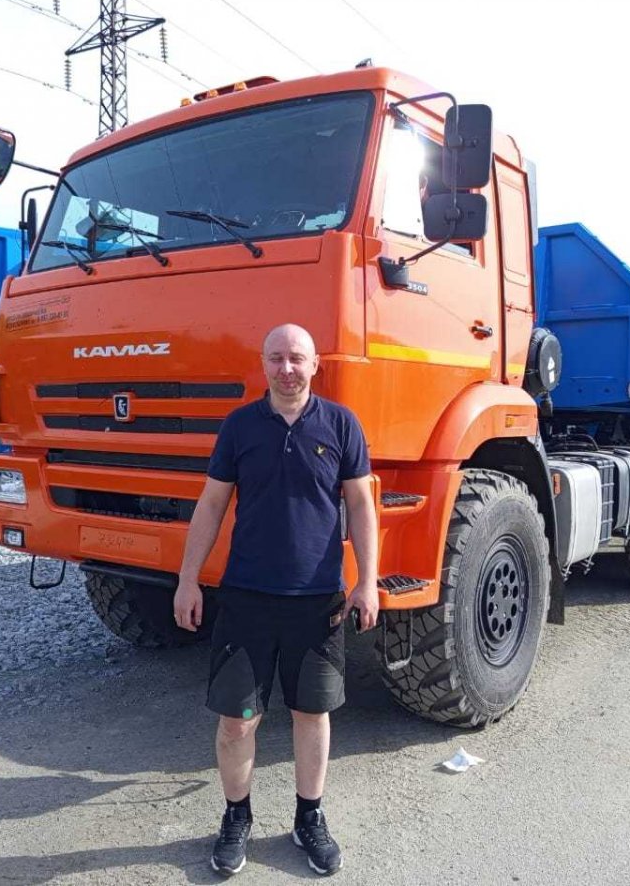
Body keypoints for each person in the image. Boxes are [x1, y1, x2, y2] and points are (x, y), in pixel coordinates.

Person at [174, 322, 379, 877]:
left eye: (296, 358)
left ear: (315, 365)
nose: (286, 368)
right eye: (276, 358)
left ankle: (309, 818)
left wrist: (367, 580)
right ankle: (236, 817)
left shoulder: (341, 424)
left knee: (311, 714)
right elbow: (211, 505)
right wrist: (188, 579)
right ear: (262, 364)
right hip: (247, 599)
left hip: (317, 600)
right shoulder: (240, 426)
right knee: (237, 721)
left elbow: (361, 506)